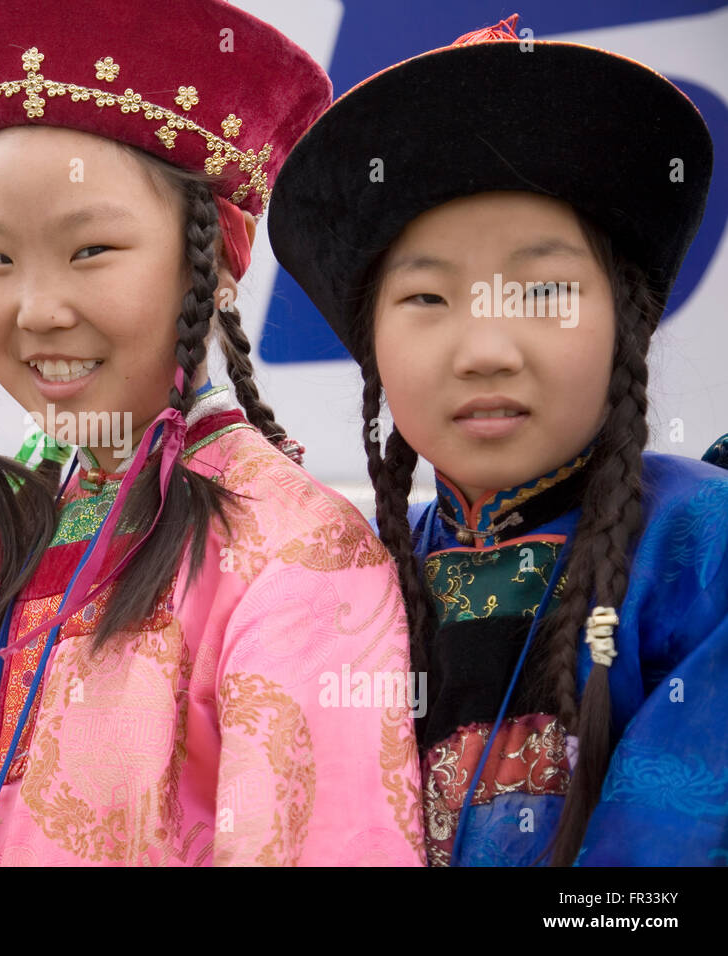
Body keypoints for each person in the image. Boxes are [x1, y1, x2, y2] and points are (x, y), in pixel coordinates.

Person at [0, 0, 425, 865]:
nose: (37, 309)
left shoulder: (296, 551)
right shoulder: (1, 529)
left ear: (215, 269)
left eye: (90, 252)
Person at [268, 15, 727, 865]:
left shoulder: (702, 542)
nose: (484, 349)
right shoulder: (347, 575)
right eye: (428, 300)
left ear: (623, 321)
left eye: (543, 290)